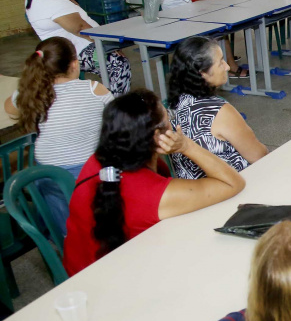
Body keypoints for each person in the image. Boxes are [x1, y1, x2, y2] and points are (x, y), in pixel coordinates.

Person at [62, 89, 246, 275]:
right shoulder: (154, 193)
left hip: (81, 269)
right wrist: (186, 145)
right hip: (111, 283)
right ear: (158, 136)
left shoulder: (101, 159)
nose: (173, 124)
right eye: (169, 119)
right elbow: (233, 183)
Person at [4, 37, 112, 234]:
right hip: (88, 173)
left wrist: (27, 93)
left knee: (60, 211)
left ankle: (63, 236)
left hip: (47, 174)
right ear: (74, 64)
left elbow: (9, 107)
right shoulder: (94, 89)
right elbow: (116, 118)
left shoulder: (32, 93)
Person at [167, 37, 267, 180]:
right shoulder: (219, 112)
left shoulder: (174, 105)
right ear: (202, 72)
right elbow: (258, 156)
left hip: (196, 191)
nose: (227, 66)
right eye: (220, 62)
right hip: (232, 186)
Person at [25, 0, 131, 95]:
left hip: (71, 48)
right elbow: (81, 29)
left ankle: (108, 95)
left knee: (112, 59)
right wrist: (107, 44)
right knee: (118, 63)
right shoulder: (52, 3)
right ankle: (116, 104)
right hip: (78, 51)